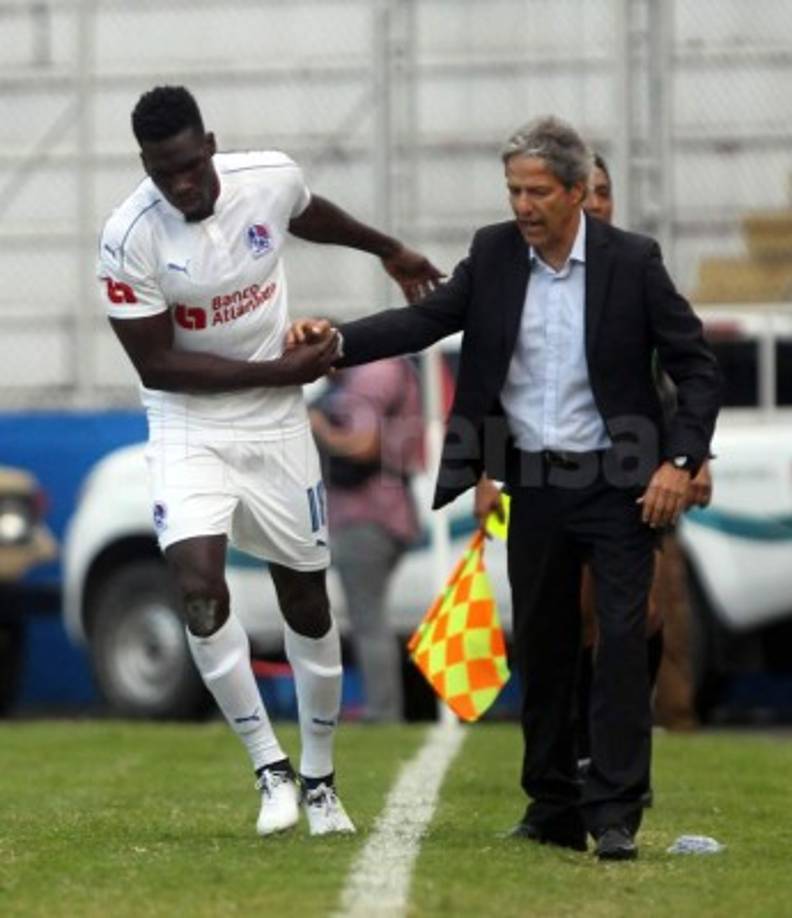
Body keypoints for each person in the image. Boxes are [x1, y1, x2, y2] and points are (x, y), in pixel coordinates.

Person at [289, 116, 721, 860]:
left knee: (622, 639)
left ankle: (615, 812)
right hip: (536, 484)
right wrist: (338, 343)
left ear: (580, 193)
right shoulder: (493, 255)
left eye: (538, 191)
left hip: (619, 484)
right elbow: (425, 319)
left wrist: (680, 462)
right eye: (514, 189)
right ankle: (552, 805)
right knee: (546, 647)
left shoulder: (633, 261)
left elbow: (697, 366)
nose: (522, 205)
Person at [97, 85, 442, 839]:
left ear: (210, 145)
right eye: (163, 173)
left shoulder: (268, 179)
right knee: (197, 589)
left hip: (277, 427)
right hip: (190, 424)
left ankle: (320, 779)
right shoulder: (129, 239)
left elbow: (306, 211)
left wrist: (389, 249)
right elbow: (159, 365)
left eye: (189, 166)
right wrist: (279, 374)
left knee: (308, 604)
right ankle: (269, 769)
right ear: (146, 167)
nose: (181, 184)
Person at [309, 357, 423, 722]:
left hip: (369, 515)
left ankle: (383, 712)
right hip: (381, 513)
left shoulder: (373, 374)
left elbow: (363, 446)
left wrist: (319, 429)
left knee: (368, 619)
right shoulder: (383, 373)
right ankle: (382, 709)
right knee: (368, 617)